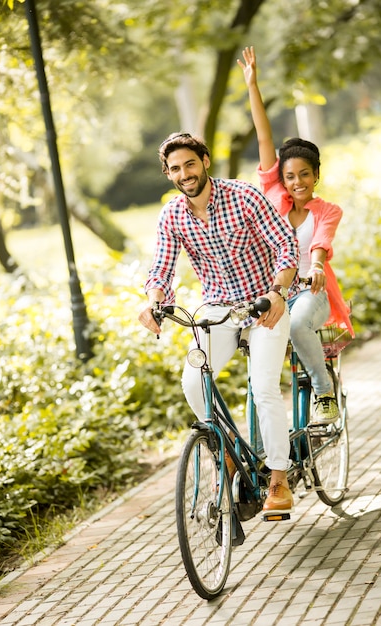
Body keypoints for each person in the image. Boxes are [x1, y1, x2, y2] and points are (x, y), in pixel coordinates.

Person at [138, 132, 299, 515]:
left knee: (263, 387)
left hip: (264, 303)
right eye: (175, 168)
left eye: (190, 164)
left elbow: (285, 246)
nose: (185, 173)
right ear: (168, 174)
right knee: (193, 380)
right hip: (217, 308)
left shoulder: (243, 196)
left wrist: (277, 292)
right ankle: (227, 449)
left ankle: (278, 478)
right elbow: (161, 268)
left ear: (205, 161)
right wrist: (154, 302)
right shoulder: (172, 215)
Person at [238, 46, 354, 423]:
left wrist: (316, 267)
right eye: (290, 176)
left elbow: (320, 243)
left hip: (311, 291)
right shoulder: (273, 196)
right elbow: (263, 136)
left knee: (302, 321)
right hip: (273, 291)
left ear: (315, 175)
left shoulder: (327, 211)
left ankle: (323, 389)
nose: (297, 181)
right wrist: (252, 85)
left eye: (305, 174)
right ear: (281, 179)